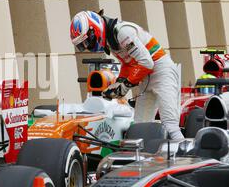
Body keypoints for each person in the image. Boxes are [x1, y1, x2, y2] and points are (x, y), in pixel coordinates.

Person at [70, 10, 184, 140]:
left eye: (86, 42)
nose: (87, 46)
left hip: (162, 71)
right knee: (140, 128)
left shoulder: (122, 32)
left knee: (170, 126)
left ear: (94, 29)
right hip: (146, 76)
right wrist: (118, 83)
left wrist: (125, 85)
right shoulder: (111, 38)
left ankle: (186, 158)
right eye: (83, 45)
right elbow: (128, 63)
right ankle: (144, 159)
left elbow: (147, 63)